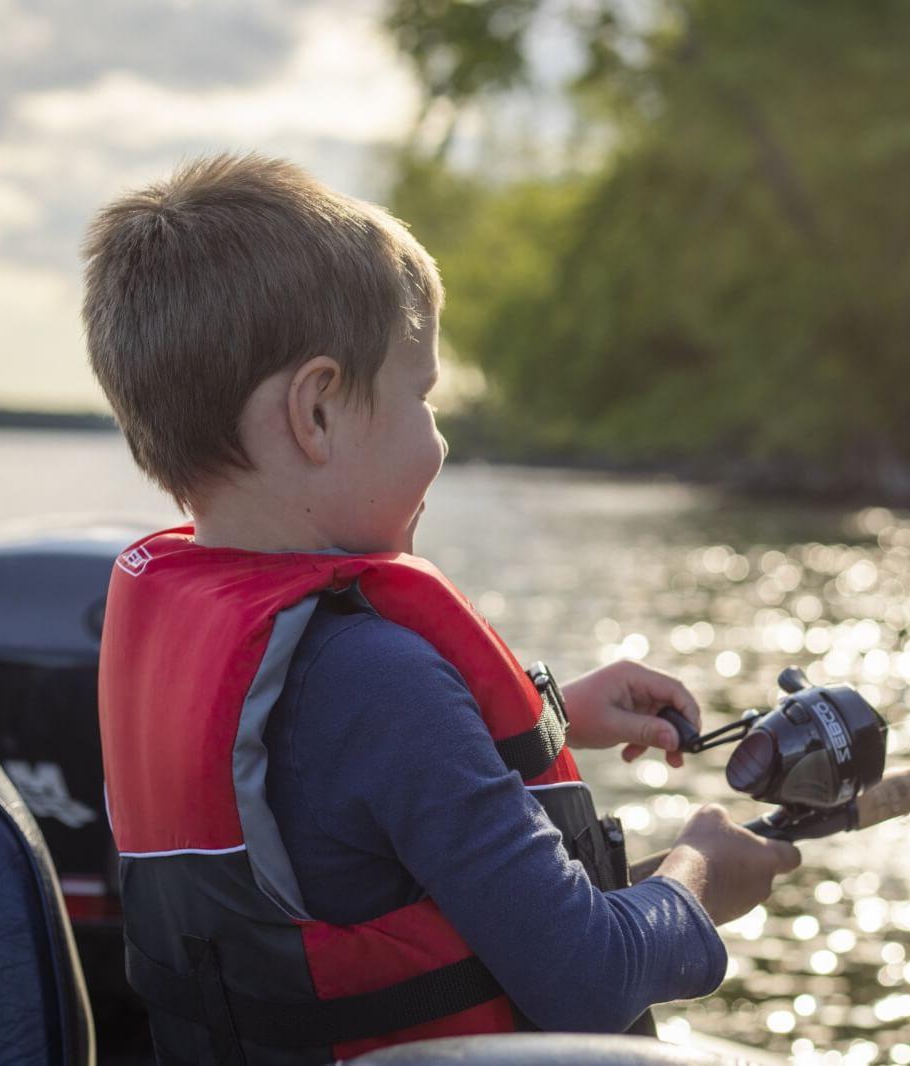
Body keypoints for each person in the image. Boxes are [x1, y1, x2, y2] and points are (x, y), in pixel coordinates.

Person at [81, 153, 800, 1065]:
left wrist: (553, 716)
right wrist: (701, 876)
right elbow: (587, 973)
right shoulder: (379, 680)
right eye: (421, 395)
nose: (440, 437)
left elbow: (315, 781)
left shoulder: (183, 642)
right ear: (318, 413)